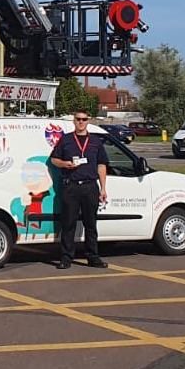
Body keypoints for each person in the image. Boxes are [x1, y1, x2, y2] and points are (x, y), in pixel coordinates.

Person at [49, 110, 109, 270]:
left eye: (84, 119)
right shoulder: (66, 140)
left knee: (91, 224)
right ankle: (66, 257)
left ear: (88, 121)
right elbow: (53, 159)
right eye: (78, 119)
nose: (81, 122)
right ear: (74, 121)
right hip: (71, 186)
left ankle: (93, 257)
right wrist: (64, 164)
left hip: (90, 186)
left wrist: (103, 188)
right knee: (68, 224)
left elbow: (102, 165)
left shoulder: (96, 141)